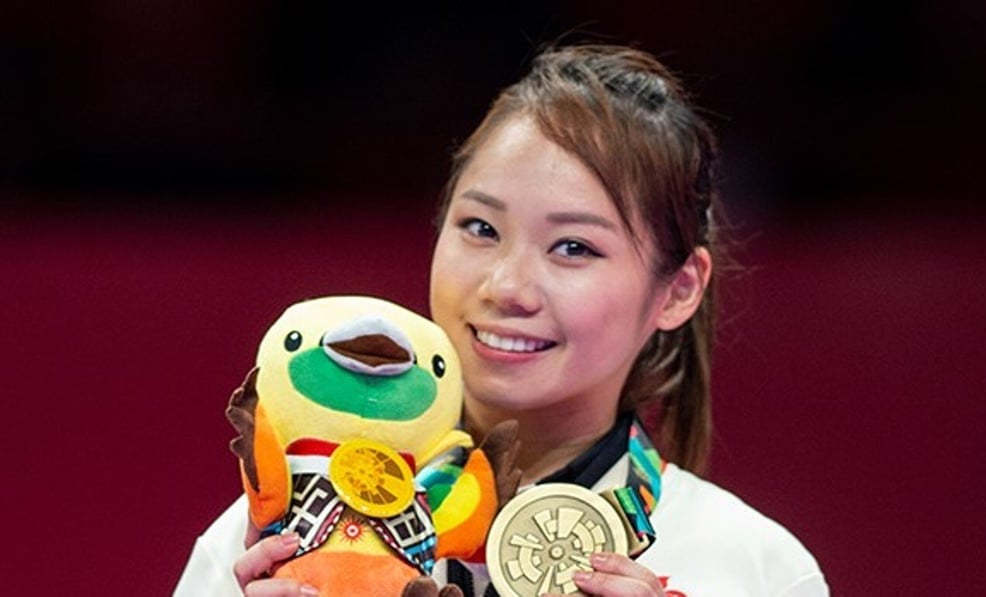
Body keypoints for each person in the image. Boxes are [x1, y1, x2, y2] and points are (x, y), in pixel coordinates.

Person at [176, 43, 828, 596]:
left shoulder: (756, 569)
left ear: (679, 289)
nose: (508, 285)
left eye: (574, 247)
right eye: (481, 228)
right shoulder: (269, 539)